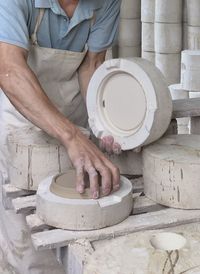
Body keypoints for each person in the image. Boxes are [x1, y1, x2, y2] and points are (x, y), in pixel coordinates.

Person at [0, 0, 121, 273]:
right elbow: (9, 69)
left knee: (75, 215)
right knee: (27, 231)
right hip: (23, 119)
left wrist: (102, 123)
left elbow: (92, 64)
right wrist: (71, 138)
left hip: (73, 115)